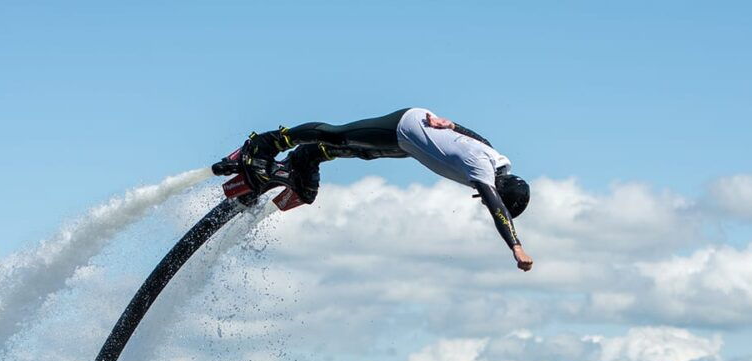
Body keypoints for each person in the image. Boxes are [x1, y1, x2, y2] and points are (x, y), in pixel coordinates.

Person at [225, 107, 533, 271]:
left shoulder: (495, 160)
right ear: (501, 191)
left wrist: (451, 126)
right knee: (340, 136)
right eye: (491, 199)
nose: (482, 199)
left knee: (365, 151)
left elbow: (478, 138)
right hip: (404, 126)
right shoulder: (483, 169)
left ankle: (306, 158)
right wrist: (515, 247)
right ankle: (266, 142)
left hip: (409, 143)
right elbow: (496, 206)